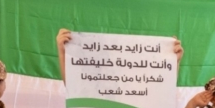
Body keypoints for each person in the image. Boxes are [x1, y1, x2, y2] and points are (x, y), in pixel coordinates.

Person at [55, 28, 184, 82]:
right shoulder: (100, 83)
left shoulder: (141, 84)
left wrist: (173, 63)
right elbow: (75, 89)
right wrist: (63, 54)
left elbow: (164, 90)